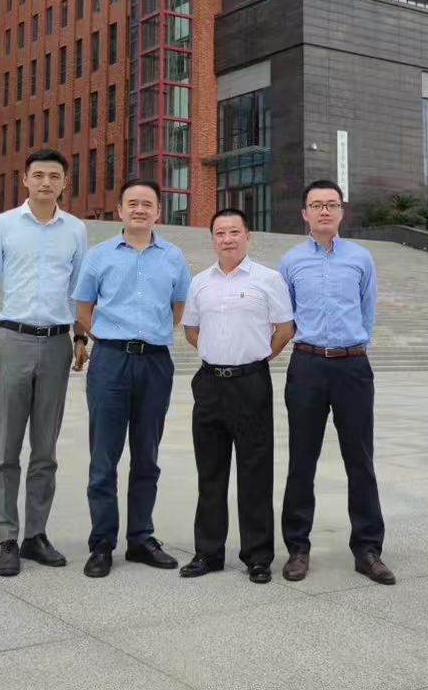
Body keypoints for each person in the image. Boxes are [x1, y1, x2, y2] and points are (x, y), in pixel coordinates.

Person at [0, 149, 88, 577]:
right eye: (38, 175)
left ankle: (35, 535)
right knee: (6, 448)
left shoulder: (75, 230)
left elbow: (79, 290)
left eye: (54, 176)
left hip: (57, 344)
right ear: (24, 179)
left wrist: (80, 337)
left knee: (45, 449)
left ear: (64, 183)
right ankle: (7, 538)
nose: (45, 182)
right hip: (14, 340)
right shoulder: (3, 225)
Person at [73, 177, 192, 578]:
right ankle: (102, 544)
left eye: (147, 204)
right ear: (120, 210)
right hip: (110, 361)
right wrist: (108, 338)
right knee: (104, 458)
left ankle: (141, 538)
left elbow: (178, 308)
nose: (140, 209)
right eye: (132, 203)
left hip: (155, 363)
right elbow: (83, 308)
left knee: (147, 455)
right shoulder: (99, 255)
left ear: (158, 211)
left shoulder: (173, 256)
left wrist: (149, 335)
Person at [278, 180, 395, 585]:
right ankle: (297, 548)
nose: (324, 211)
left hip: (352, 367)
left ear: (342, 211)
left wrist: (352, 347)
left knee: (360, 460)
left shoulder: (360, 258)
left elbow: (367, 309)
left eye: (331, 204)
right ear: (304, 214)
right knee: (301, 460)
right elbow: (286, 314)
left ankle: (368, 550)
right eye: (316, 205)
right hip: (307, 366)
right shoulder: (290, 261)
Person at [179, 208, 294, 584]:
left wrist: (256, 357)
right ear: (212, 239)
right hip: (210, 383)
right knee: (210, 472)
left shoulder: (268, 279)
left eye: (234, 232)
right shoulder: (200, 282)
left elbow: (284, 329)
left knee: (255, 471)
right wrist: (218, 353)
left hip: (251, 383)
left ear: (248, 236)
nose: (227, 239)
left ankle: (258, 556)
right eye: (220, 233)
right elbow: (191, 330)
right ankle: (208, 552)